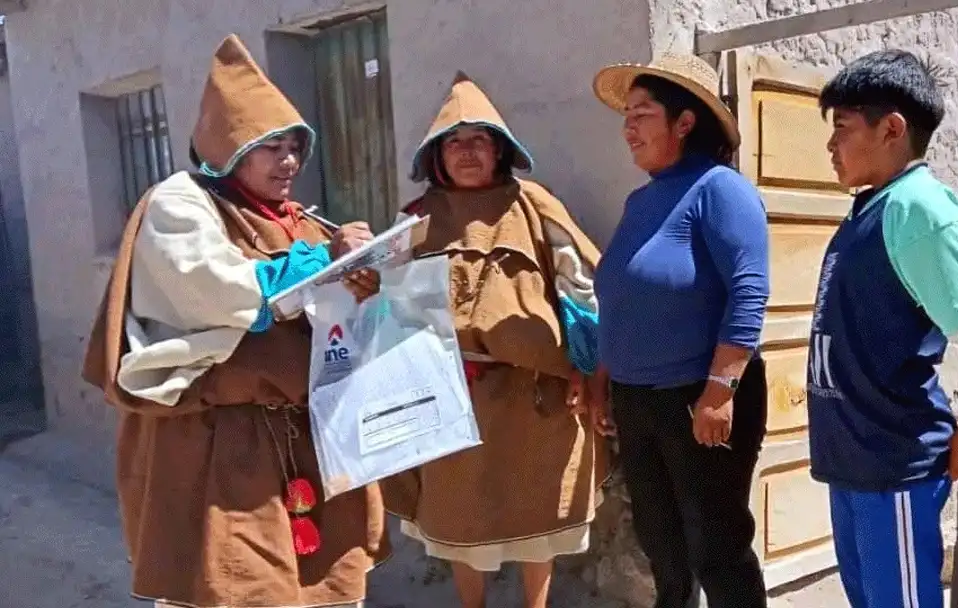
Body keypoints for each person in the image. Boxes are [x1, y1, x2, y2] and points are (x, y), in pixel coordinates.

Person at [81, 34, 390, 608]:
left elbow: (339, 318)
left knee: (328, 588)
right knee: (234, 587)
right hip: (221, 448)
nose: (290, 161)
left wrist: (363, 274)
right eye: (271, 147)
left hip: (311, 442)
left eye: (295, 146)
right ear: (227, 145)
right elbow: (224, 294)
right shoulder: (180, 205)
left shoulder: (301, 222)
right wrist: (327, 261)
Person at [378, 72, 608, 608]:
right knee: (460, 515)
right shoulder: (415, 221)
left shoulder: (533, 205)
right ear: (437, 153)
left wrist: (584, 369)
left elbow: (581, 291)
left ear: (499, 149)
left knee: (539, 512)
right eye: (454, 141)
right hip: (451, 397)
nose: (466, 151)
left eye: (478, 140)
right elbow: (383, 302)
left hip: (539, 393)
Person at [809, 49, 958, 608]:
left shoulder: (918, 207)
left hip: (892, 461)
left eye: (843, 129)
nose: (831, 145)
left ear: (892, 129)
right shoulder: (870, 209)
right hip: (855, 461)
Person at [590, 53, 770, 608]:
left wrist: (721, 391)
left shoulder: (719, 189)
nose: (628, 126)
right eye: (627, 114)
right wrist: (603, 380)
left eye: (642, 113)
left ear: (684, 122)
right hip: (637, 401)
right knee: (663, 550)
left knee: (716, 548)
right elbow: (621, 300)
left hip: (699, 396)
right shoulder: (641, 201)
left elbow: (749, 290)